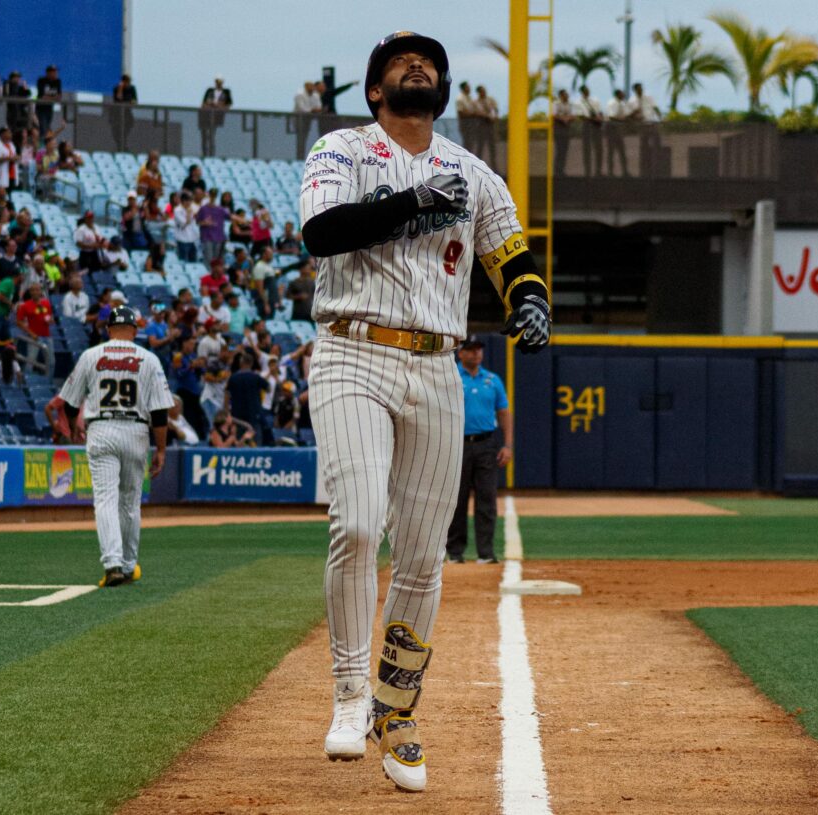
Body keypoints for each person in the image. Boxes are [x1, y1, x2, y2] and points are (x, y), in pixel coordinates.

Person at [298, 31, 551, 792]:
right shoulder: (340, 151)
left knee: (422, 552)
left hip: (436, 361)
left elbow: (511, 255)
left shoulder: (474, 174)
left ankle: (396, 707)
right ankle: (348, 694)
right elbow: (320, 232)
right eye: (400, 63)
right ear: (376, 90)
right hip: (352, 347)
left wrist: (531, 300)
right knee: (360, 522)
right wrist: (409, 202)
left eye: (429, 62)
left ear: (440, 88)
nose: (418, 67)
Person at [59, 305, 174, 587]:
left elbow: (69, 403)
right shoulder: (149, 359)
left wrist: (74, 425)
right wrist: (161, 450)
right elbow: (160, 414)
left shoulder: (91, 355)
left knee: (106, 500)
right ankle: (129, 564)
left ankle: (112, 564)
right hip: (136, 429)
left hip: (101, 428)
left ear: (108, 329)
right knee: (130, 503)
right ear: (135, 330)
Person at [445, 337, 512, 563]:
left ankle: (486, 553)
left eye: (479, 350)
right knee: (457, 499)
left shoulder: (492, 380)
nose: (476, 354)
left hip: (486, 444)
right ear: (460, 353)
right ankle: (455, 552)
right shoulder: (450, 376)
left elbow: (503, 412)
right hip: (457, 444)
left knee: (487, 498)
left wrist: (508, 444)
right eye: (471, 350)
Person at [198, 77, 232, 156]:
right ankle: (204, 153)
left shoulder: (226, 92)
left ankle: (212, 153)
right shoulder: (210, 91)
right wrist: (210, 104)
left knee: (212, 136)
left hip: (216, 118)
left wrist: (219, 105)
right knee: (204, 136)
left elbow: (228, 105)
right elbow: (204, 103)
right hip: (206, 117)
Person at [578, 86, 605, 177]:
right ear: (582, 92)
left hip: (596, 127)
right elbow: (581, 116)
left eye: (588, 90)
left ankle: (598, 171)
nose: (587, 92)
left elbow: (600, 111)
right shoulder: (579, 102)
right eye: (585, 91)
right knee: (587, 150)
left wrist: (599, 118)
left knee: (599, 150)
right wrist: (593, 119)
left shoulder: (594, 100)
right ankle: (587, 172)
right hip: (587, 127)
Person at [605, 89, 630, 176]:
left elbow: (625, 114)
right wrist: (621, 120)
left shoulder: (622, 104)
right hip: (611, 130)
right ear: (618, 94)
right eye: (622, 94)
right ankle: (610, 172)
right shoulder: (612, 103)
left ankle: (625, 171)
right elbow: (611, 116)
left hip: (618, 131)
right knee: (611, 151)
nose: (623, 95)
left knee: (622, 151)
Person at [111, 74, 138, 152]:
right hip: (118, 114)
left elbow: (134, 100)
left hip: (127, 113)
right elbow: (118, 99)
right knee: (117, 132)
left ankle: (124, 145)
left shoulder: (132, 88)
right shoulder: (116, 88)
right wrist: (120, 88)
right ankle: (120, 146)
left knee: (126, 129)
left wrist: (131, 102)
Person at [551, 88, 575, 177]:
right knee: (559, 150)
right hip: (559, 129)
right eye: (565, 94)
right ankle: (557, 170)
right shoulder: (556, 104)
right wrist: (563, 119)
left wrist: (568, 119)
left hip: (566, 129)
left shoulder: (570, 104)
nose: (567, 96)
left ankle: (562, 170)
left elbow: (573, 115)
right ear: (561, 96)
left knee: (564, 151)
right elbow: (553, 115)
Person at [36, 65, 62, 134]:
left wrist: (49, 98)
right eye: (54, 72)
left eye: (56, 72)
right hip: (40, 109)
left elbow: (59, 97)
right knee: (42, 127)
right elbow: (42, 97)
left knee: (47, 127)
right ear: (48, 72)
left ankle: (45, 142)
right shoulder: (41, 81)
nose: (56, 74)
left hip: (49, 108)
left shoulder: (57, 81)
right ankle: (42, 143)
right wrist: (53, 97)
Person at [0, 127, 19, 191]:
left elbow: (14, 156)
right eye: (8, 133)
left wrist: (16, 158)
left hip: (12, 175)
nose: (10, 134)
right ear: (2, 135)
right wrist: (8, 158)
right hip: (2, 176)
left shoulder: (11, 145)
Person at [454, 81, 478, 153]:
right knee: (467, 142)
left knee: (471, 142)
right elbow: (460, 112)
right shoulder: (460, 98)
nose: (469, 88)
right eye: (468, 87)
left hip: (471, 123)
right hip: (465, 123)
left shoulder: (469, 98)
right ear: (464, 88)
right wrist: (472, 114)